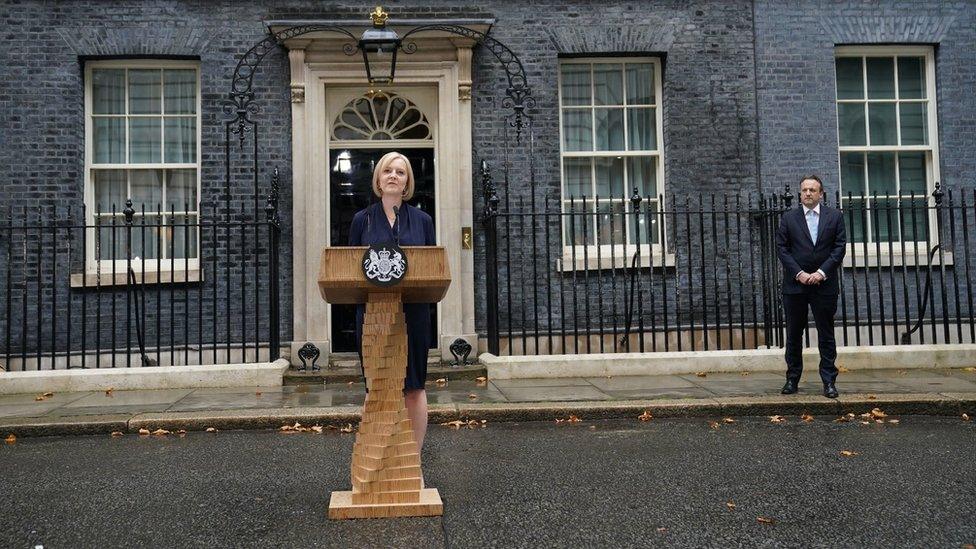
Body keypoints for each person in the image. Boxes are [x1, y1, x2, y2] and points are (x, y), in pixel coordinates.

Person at [349, 151, 436, 449]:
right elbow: (350, 267)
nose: (393, 176)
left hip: (413, 313)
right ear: (378, 178)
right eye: (387, 171)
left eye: (400, 172)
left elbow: (430, 265)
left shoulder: (422, 220)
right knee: (377, 389)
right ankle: (380, 460)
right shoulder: (362, 220)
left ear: (407, 181)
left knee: (413, 387)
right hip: (374, 314)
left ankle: (412, 459)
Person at [775, 174, 847, 398]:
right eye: (804, 190)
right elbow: (782, 249)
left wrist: (820, 273)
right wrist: (800, 274)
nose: (808, 193)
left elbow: (839, 248)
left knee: (826, 334)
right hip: (795, 285)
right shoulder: (789, 218)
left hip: (824, 285)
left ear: (821, 194)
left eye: (812, 190)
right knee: (794, 334)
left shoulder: (835, 217)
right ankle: (792, 379)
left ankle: (829, 382)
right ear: (800, 193)